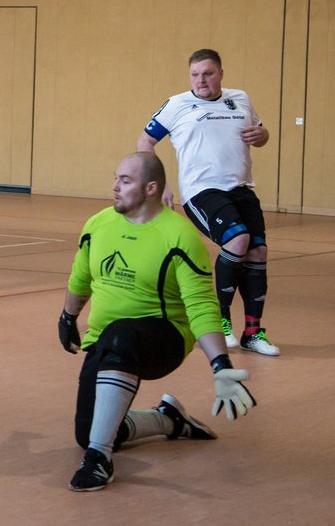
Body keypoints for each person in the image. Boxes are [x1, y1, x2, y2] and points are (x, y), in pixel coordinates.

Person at [58, 151, 256, 491]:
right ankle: (168, 420)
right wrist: (68, 316)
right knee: (87, 431)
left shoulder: (179, 236)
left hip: (164, 339)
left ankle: (99, 459)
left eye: (125, 181)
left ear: (151, 188)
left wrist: (220, 365)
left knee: (120, 337)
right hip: (108, 340)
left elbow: (200, 305)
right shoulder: (98, 224)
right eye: (116, 178)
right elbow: (81, 276)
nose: (115, 187)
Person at [137, 48, 278, 356]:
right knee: (238, 239)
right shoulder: (177, 105)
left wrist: (263, 134)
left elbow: (261, 133)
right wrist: (159, 182)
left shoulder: (240, 98)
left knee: (258, 251)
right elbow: (145, 141)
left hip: (241, 188)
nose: (201, 80)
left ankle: (252, 332)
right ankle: (219, 321)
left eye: (208, 73)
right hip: (202, 191)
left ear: (221, 74)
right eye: (195, 74)